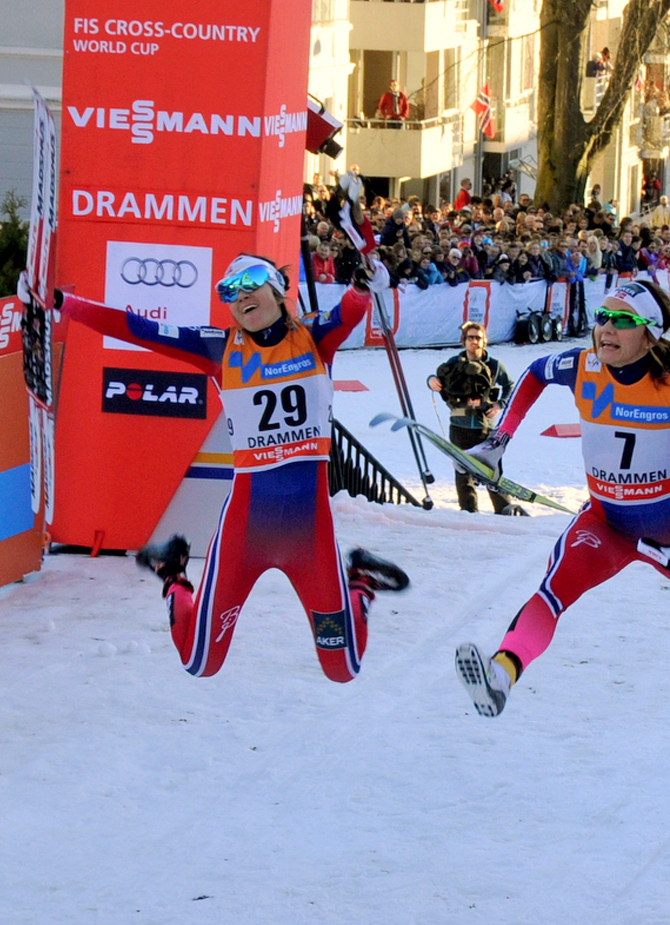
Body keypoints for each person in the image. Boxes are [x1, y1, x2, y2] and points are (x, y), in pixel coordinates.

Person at [34, 255, 411, 683]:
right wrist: (65, 303)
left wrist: (365, 284)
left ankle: (359, 585)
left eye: (250, 281)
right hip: (246, 533)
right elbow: (135, 327)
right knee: (201, 663)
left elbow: (351, 308)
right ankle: (174, 574)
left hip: (311, 536)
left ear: (277, 287)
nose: (240, 295)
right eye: (228, 291)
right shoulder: (220, 347)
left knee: (342, 668)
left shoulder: (313, 336)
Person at [453, 281, 670, 717]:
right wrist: (498, 442)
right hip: (605, 522)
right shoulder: (582, 365)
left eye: (623, 321)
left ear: (650, 332)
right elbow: (532, 375)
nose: (606, 328)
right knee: (553, 590)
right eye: (602, 317)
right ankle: (501, 676)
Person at [427, 322, 519, 514]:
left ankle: (504, 510)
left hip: (484, 427)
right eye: (470, 337)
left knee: (492, 471)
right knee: (462, 472)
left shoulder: (494, 365)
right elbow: (438, 379)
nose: (474, 342)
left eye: (478, 338)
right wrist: (431, 380)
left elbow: (510, 386)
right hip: (459, 426)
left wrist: (499, 404)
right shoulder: (453, 364)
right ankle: (468, 512)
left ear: (484, 341)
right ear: (464, 340)